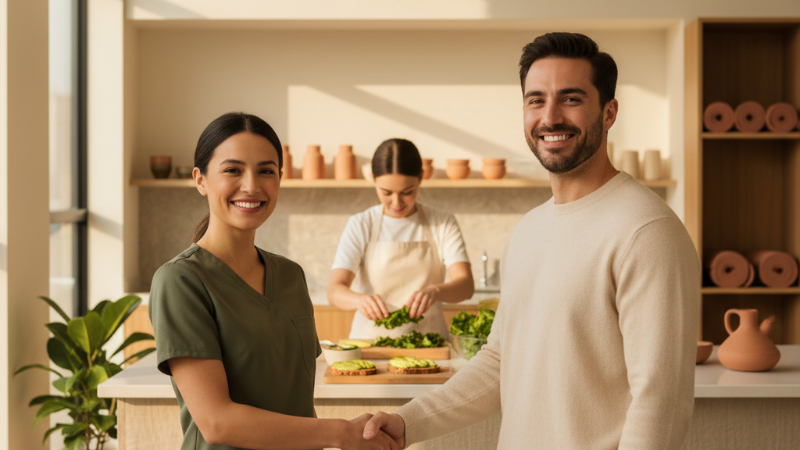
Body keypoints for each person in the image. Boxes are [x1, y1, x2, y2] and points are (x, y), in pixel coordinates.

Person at [362, 32, 700, 449]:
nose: (550, 117)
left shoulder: (647, 231)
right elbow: (499, 363)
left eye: (571, 99)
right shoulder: (528, 231)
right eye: (536, 100)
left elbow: (660, 400)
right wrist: (407, 423)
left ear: (609, 112)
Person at [149, 112, 400, 450]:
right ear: (201, 180)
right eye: (233, 170)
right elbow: (216, 422)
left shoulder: (290, 276)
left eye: (266, 171)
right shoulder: (181, 281)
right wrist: (340, 433)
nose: (251, 185)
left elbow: (297, 403)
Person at [327, 138, 474, 340]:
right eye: (386, 192)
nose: (396, 202)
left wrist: (435, 291)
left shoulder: (442, 222)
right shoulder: (361, 224)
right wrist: (358, 300)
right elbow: (335, 290)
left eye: (407, 192)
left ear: (421, 178)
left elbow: (466, 285)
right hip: (370, 344)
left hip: (428, 345)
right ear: (373, 179)